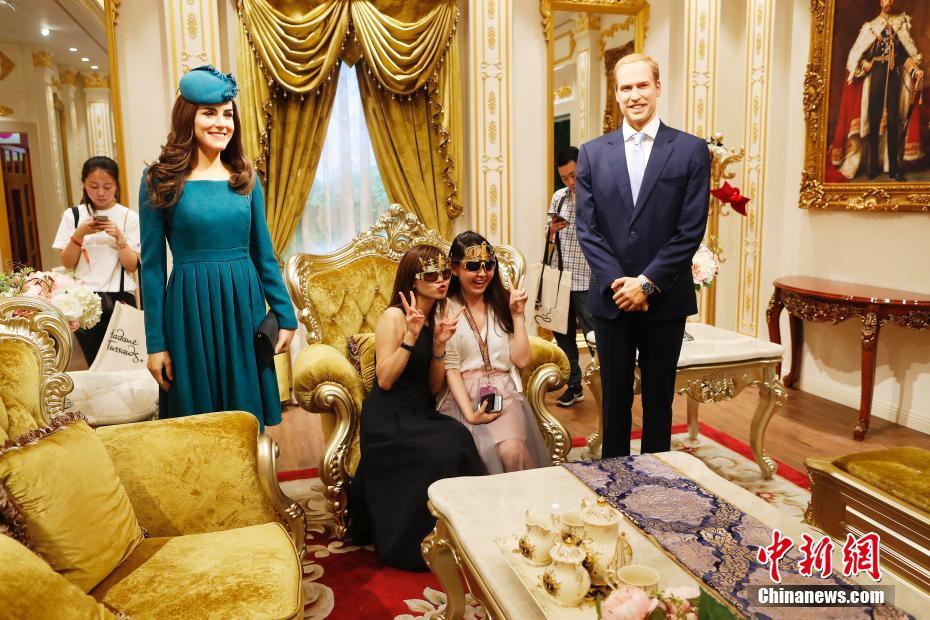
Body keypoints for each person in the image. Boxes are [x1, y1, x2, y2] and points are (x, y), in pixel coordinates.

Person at [139, 65, 296, 430]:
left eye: (228, 114)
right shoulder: (159, 180)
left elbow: (264, 255)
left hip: (244, 307)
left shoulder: (245, 179)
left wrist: (286, 314)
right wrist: (155, 344)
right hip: (189, 310)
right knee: (198, 423)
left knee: (247, 419)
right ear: (187, 117)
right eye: (209, 113)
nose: (222, 123)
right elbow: (152, 268)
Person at [575, 53, 709, 457]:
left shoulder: (690, 150)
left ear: (658, 88)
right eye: (626, 87)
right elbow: (587, 229)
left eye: (642, 85)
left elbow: (690, 229)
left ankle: (656, 480)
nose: (634, 95)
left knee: (659, 402)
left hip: (665, 299)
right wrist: (621, 285)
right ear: (616, 94)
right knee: (614, 404)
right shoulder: (592, 153)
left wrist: (647, 284)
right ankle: (615, 481)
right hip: (612, 299)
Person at [348, 245, 485, 571]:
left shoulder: (436, 318)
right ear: (413, 280)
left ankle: (461, 532)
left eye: (445, 273)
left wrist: (438, 346)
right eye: (432, 275)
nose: (442, 280)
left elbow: (434, 387)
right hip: (388, 416)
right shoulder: (394, 317)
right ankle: (413, 544)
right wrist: (410, 336)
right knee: (442, 448)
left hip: (419, 411)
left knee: (458, 437)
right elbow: (384, 380)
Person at [438, 232, 551, 473]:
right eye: (473, 266)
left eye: (488, 266)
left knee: (512, 452)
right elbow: (451, 368)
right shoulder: (446, 308)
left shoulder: (503, 302)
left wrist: (518, 316)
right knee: (478, 454)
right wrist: (470, 414)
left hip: (502, 393)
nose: (482, 273)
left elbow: (522, 360)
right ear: (454, 269)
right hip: (461, 396)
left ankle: (529, 496)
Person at [53, 156, 140, 365]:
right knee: (94, 363)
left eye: (107, 186)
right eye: (94, 186)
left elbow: (132, 265)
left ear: (116, 185)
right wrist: (80, 234)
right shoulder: (73, 215)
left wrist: (119, 238)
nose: (101, 192)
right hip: (84, 301)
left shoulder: (128, 217)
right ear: (83, 184)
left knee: (124, 363)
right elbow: (67, 262)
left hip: (120, 299)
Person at [831, 0, 924, 181]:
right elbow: (858, 55)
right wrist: (863, 64)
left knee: (894, 121)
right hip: (876, 76)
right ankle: (872, 165)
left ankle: (894, 168)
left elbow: (905, 56)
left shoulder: (899, 25)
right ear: (881, 2)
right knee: (873, 121)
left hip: (894, 77)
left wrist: (915, 71)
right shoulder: (871, 28)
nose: (889, 2)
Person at [545, 146, 595, 407]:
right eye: (564, 177)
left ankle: (605, 385)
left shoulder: (597, 194)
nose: (570, 182)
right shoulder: (560, 197)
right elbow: (548, 234)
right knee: (563, 337)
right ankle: (574, 385)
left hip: (588, 278)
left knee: (594, 337)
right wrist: (552, 229)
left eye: (573, 175)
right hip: (560, 278)